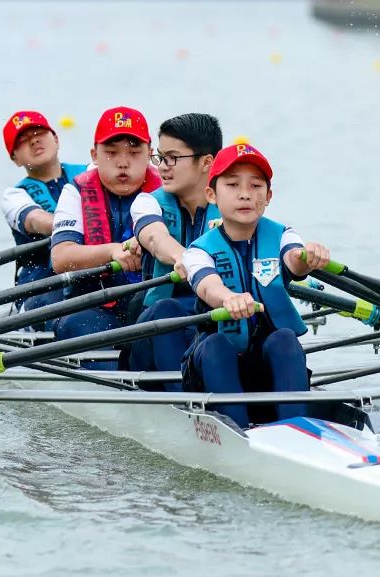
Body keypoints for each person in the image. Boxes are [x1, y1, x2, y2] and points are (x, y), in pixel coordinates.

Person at [181, 143, 331, 428]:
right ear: (211, 194)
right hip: (213, 367)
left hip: (266, 363)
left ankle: (297, 428)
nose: (245, 194)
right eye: (233, 184)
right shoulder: (197, 252)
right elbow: (207, 285)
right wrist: (228, 298)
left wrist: (308, 257)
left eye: (256, 185)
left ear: (268, 196)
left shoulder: (283, 235)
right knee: (217, 345)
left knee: (285, 338)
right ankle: (236, 431)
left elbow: (294, 260)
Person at [49, 106, 161, 366]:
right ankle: (115, 388)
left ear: (150, 155)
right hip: (94, 308)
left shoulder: (166, 192)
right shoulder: (75, 191)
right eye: (111, 153)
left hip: (150, 306)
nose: (123, 162)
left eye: (134, 153)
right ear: (94, 155)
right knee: (75, 324)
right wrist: (112, 251)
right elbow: (61, 258)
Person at [125, 113, 223, 388]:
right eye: (160, 158)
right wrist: (188, 260)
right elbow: (155, 238)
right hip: (153, 330)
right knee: (167, 309)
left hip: (211, 321)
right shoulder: (147, 202)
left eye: (172, 158)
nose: (162, 168)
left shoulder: (233, 206)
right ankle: (185, 404)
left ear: (206, 162)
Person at [0, 110, 86, 323]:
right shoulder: (14, 195)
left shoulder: (90, 171)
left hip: (91, 267)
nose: (34, 140)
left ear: (56, 139)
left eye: (40, 132)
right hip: (43, 282)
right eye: (23, 140)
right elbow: (38, 220)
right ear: (14, 158)